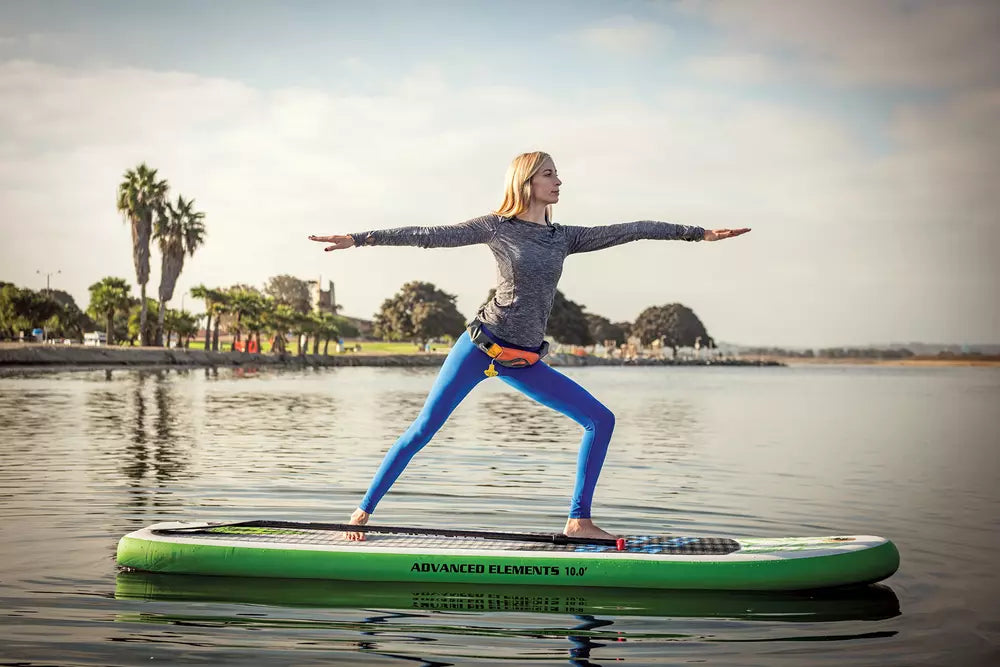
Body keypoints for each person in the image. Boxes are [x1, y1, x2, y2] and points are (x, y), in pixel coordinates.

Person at [309, 151, 750, 540]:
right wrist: (360, 238)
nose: (558, 181)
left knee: (601, 420)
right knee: (423, 429)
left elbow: (633, 228)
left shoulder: (565, 237)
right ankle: (361, 514)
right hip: (480, 347)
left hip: (523, 359)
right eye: (549, 174)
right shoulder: (497, 228)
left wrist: (699, 233)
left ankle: (578, 521)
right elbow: (428, 234)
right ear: (526, 182)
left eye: (557, 174)